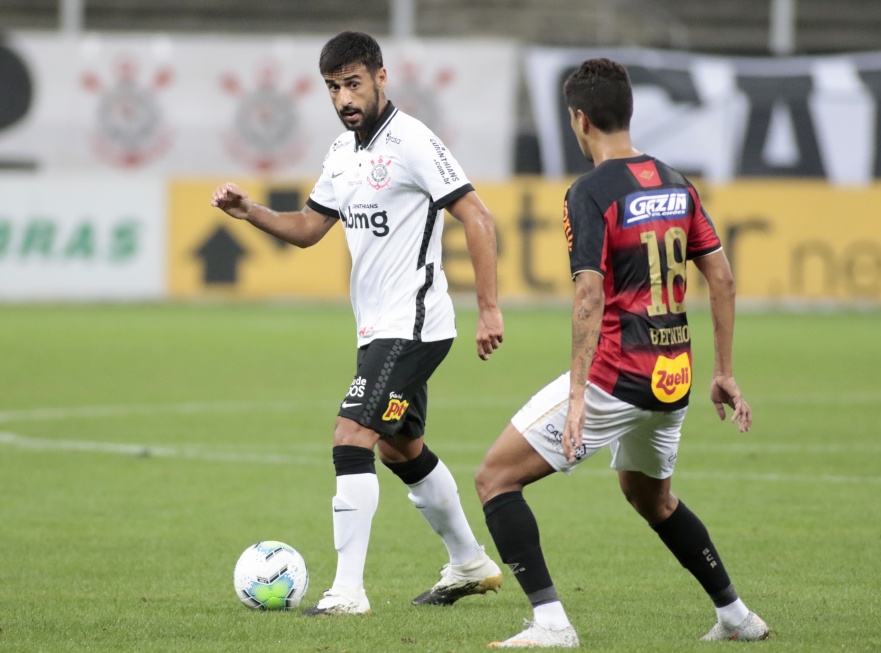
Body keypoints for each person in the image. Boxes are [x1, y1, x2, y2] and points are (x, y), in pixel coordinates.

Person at [474, 58, 769, 648]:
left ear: (579, 120)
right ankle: (737, 616)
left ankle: (551, 624)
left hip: (615, 376)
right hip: (674, 376)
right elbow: (724, 280)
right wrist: (725, 373)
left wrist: (580, 396)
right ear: (627, 112)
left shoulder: (588, 192)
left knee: (495, 478)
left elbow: (589, 294)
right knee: (649, 496)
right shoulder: (675, 181)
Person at [211, 31, 505, 616]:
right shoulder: (342, 154)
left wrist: (490, 308)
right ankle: (470, 562)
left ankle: (348, 591)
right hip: (378, 328)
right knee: (401, 447)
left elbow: (477, 216)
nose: (343, 98)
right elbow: (307, 228)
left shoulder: (414, 141)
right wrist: (250, 213)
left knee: (352, 437)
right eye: (332, 88)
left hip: (413, 324)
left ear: (379, 78)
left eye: (352, 83)